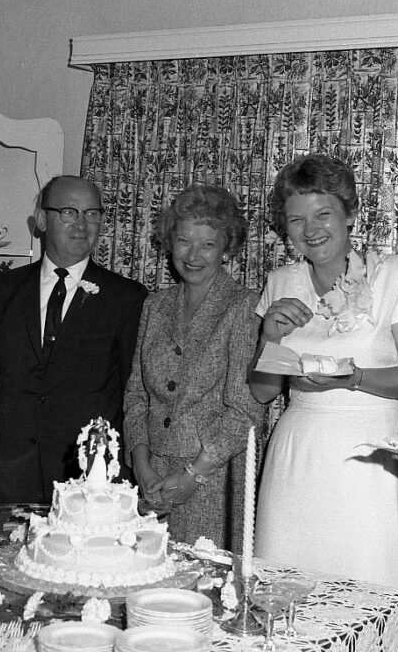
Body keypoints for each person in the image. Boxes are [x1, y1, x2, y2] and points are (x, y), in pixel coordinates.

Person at [249, 153, 398, 588]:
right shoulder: (280, 282)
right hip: (297, 455)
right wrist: (270, 337)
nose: (311, 230)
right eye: (297, 220)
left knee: (366, 584)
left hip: (369, 457)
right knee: (285, 587)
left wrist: (356, 378)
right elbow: (261, 393)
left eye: (324, 214)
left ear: (350, 214)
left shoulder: (393, 274)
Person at [0, 175, 148, 506]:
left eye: (92, 213)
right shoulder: (0, 291)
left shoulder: (127, 298)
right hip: (10, 473)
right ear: (40, 219)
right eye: (68, 212)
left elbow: (132, 395)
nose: (82, 223)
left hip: (89, 479)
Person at [123, 184, 264, 551]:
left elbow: (245, 411)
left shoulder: (243, 307)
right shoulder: (155, 305)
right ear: (170, 242)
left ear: (227, 248)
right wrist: (141, 467)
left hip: (213, 480)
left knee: (203, 593)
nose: (193, 255)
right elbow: (136, 395)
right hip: (151, 479)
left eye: (208, 244)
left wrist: (192, 476)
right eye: (184, 240)